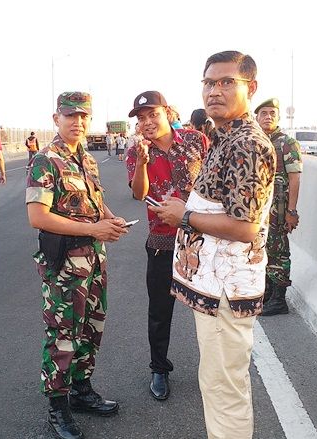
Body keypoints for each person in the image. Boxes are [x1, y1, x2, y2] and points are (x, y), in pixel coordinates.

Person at [149, 50, 275, 439]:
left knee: (224, 390)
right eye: (208, 83)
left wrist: (183, 216)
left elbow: (245, 227)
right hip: (217, 287)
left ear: (249, 88)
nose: (214, 91)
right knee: (217, 384)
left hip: (226, 292)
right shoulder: (223, 138)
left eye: (226, 82)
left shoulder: (246, 145)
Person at [26, 91, 128, 439]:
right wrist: (92, 229)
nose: (78, 122)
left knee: (91, 329)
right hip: (65, 263)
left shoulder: (86, 158)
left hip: (94, 259)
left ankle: (82, 391)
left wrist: (112, 220)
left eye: (84, 116)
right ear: (56, 118)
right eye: (70, 116)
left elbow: (95, 202)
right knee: (63, 334)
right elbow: (37, 217)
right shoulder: (46, 160)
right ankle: (58, 408)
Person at [126, 90, 208, 402]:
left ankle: (211, 368)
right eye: (142, 118)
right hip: (161, 240)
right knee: (160, 310)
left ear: (167, 112)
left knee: (208, 307)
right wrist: (142, 164)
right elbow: (138, 194)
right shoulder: (136, 152)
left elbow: (212, 180)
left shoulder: (195, 140)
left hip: (201, 237)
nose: (147, 122)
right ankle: (159, 368)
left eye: (153, 114)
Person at [255, 98, 303, 315]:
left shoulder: (287, 143)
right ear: (256, 117)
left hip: (278, 209)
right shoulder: (256, 141)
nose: (268, 117)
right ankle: (267, 294)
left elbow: (295, 179)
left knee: (278, 251)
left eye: (272, 113)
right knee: (263, 249)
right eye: (263, 113)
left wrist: (291, 212)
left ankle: (279, 299)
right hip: (258, 209)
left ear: (278, 117)